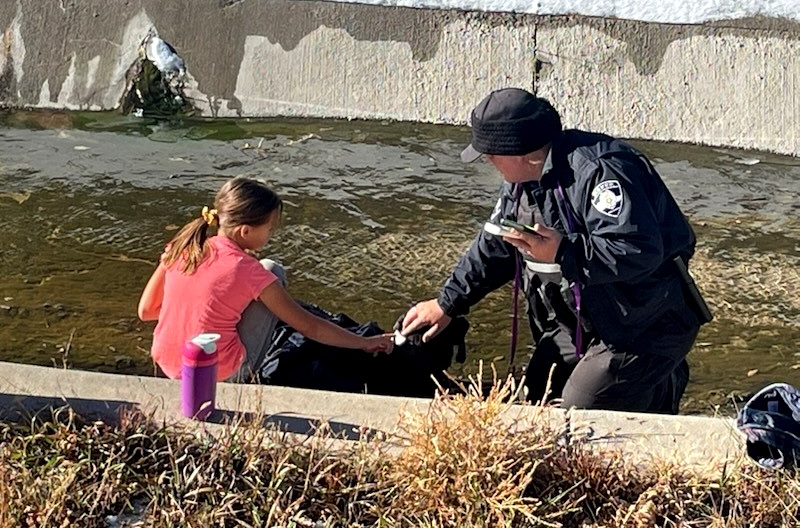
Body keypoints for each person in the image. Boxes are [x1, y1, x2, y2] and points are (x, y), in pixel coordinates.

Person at [400, 87, 710, 413]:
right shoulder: (523, 181)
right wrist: (447, 303)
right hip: (584, 319)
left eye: (490, 154)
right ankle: (654, 385)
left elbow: (639, 250)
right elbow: (495, 246)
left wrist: (564, 252)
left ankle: (659, 385)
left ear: (521, 152)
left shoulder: (598, 172)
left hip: (645, 324)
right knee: (537, 397)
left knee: (582, 408)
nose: (487, 160)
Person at [138, 176, 393, 383]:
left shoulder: (183, 248)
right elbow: (310, 327)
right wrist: (363, 342)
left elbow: (146, 311)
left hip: (169, 365)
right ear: (245, 231)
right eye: (269, 229)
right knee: (272, 270)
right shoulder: (248, 269)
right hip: (217, 375)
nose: (271, 234)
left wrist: (192, 312)